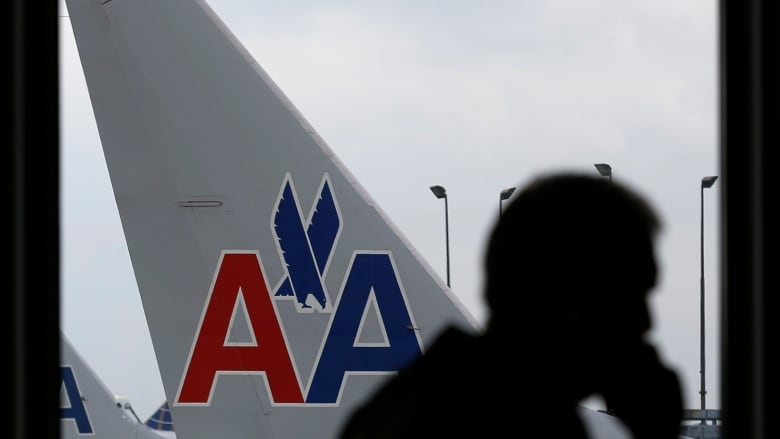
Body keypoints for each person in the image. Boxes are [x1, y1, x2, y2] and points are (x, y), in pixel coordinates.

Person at [338, 172, 683, 439]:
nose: (645, 320)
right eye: (628, 296)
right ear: (560, 298)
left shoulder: (438, 400)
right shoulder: (512, 421)